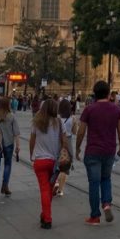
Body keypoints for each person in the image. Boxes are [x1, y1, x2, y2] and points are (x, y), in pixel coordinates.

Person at [75, 80, 120, 225]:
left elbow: (81, 131)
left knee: (94, 183)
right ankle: (107, 203)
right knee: (106, 178)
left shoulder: (89, 109)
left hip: (93, 151)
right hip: (109, 151)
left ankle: (95, 216)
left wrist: (78, 147)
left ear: (94, 94)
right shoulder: (116, 110)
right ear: (109, 93)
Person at [30, 98, 66, 229]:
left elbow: (32, 140)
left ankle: (47, 218)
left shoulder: (36, 121)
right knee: (48, 190)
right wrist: (64, 154)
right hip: (54, 162)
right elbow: (64, 141)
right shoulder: (59, 122)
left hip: (39, 161)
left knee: (45, 190)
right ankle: (45, 214)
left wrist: (31, 155)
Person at [0, 97, 20, 199]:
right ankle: (5, 186)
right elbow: (16, 133)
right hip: (8, 143)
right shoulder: (11, 116)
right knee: (7, 165)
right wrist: (18, 146)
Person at [54, 99, 76, 197]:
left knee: (57, 164)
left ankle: (55, 183)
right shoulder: (73, 118)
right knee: (65, 166)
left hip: (57, 142)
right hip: (68, 142)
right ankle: (60, 190)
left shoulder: (56, 118)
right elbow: (75, 132)